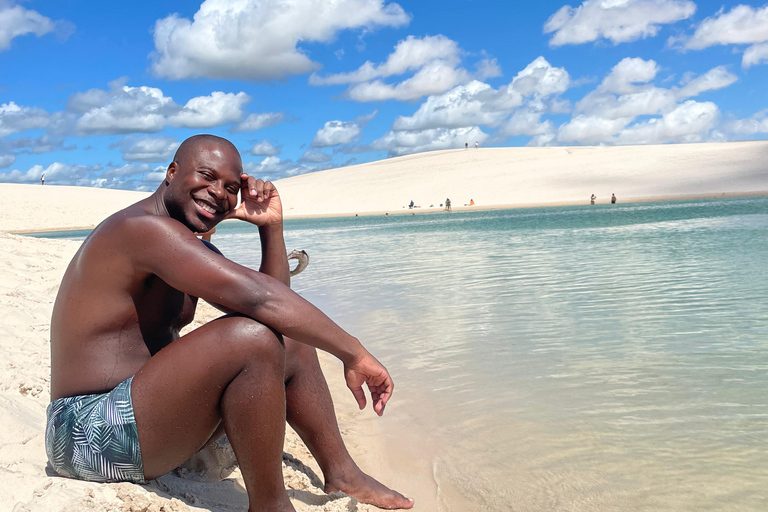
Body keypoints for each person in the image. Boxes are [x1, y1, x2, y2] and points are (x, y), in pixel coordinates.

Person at [46, 135, 414, 511]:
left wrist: (270, 228)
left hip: (148, 418)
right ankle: (270, 506)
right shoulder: (142, 230)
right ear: (172, 173)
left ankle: (342, 473)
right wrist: (354, 353)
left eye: (231, 187)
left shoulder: (184, 243)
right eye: (207, 176)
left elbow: (273, 307)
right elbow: (259, 297)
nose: (218, 192)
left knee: (290, 339)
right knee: (251, 338)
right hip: (84, 433)